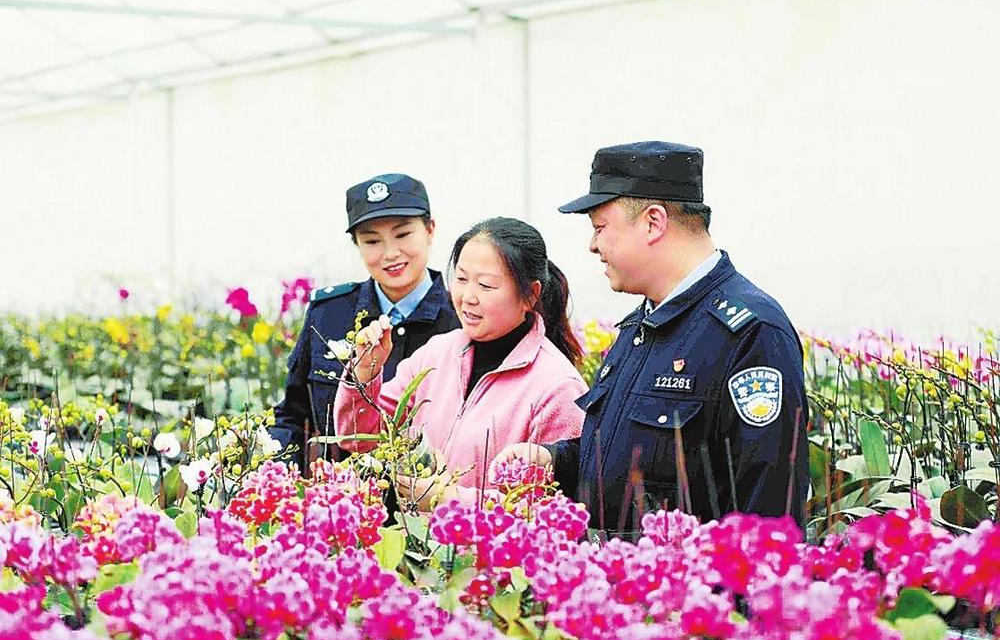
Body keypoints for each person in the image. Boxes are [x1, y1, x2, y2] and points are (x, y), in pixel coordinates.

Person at [491, 141, 809, 537]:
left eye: (599, 228)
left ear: (653, 223)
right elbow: (623, 459)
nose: (593, 245)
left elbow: (767, 517)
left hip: (684, 578)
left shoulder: (750, 332)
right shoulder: (642, 327)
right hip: (612, 573)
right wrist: (554, 460)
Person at [334, 217, 587, 507]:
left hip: (485, 540)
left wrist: (449, 500)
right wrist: (364, 373)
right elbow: (359, 439)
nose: (467, 297)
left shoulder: (558, 386)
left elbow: (549, 512)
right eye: (461, 279)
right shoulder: (437, 353)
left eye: (486, 285)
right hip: (417, 535)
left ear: (530, 295)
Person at [270, 173, 460, 470]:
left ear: (430, 230)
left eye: (403, 235)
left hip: (434, 492)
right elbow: (293, 415)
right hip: (341, 491)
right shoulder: (328, 314)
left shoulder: (462, 317)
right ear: (356, 244)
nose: (390, 253)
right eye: (372, 241)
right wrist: (280, 475)